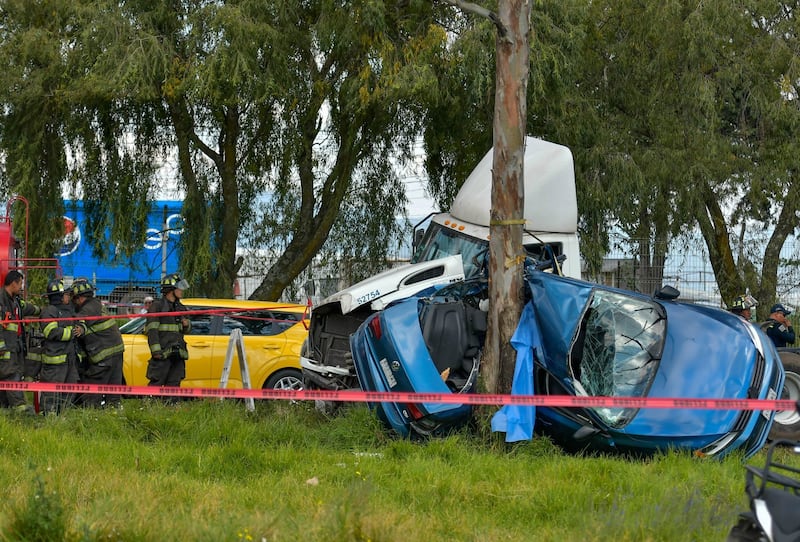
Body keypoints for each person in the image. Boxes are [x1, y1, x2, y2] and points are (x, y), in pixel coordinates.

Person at [71, 277, 125, 408]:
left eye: (74, 299)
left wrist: (79, 328)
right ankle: (113, 411)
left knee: (92, 390)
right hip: (116, 352)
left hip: (104, 355)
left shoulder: (89, 307)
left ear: (79, 298)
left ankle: (92, 414)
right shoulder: (97, 304)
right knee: (113, 388)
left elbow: (82, 321)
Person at [39, 279, 83, 414]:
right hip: (55, 361)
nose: (68, 297)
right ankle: (49, 417)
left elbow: (79, 321)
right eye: (66, 294)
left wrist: (81, 328)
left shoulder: (68, 311)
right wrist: (71, 333)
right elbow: (50, 331)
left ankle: (63, 415)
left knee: (70, 389)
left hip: (69, 359)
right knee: (52, 392)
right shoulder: (49, 311)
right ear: (59, 296)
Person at [0, 270, 40, 414]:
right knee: (11, 375)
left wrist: (42, 311)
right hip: (5, 349)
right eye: (20, 283)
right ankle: (21, 408)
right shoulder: (1, 300)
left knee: (7, 375)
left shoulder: (15, 301)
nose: (21, 287)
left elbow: (27, 308)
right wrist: (1, 347)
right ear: (13, 283)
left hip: (15, 347)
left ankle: (4, 409)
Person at [146, 273, 191, 397]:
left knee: (174, 383)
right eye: (179, 287)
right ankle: (150, 407)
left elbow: (186, 331)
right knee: (157, 381)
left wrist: (186, 325)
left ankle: (171, 408)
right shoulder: (157, 306)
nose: (181, 290)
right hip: (163, 352)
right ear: (171, 290)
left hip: (178, 352)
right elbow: (152, 330)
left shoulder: (181, 307)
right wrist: (156, 352)